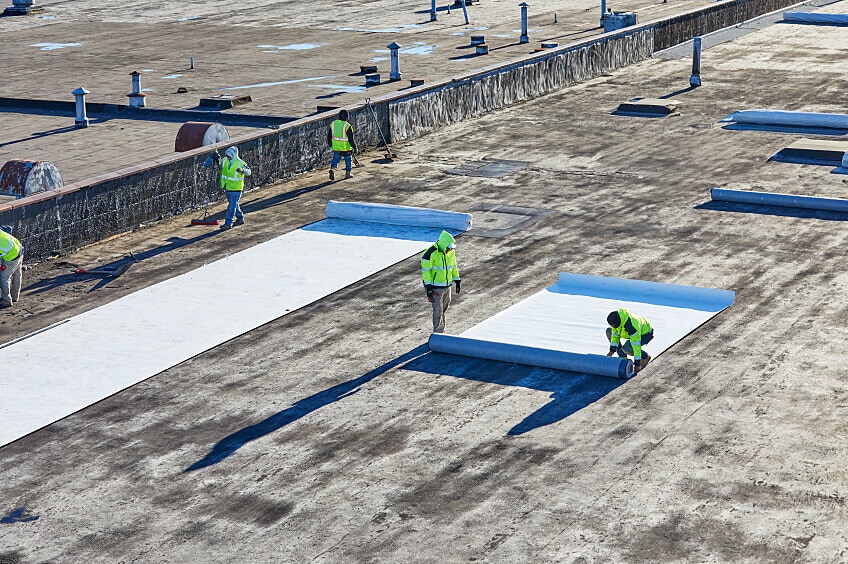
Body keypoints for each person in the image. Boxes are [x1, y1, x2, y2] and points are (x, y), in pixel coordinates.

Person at [421, 230, 461, 333]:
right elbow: (426, 271)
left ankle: (441, 328)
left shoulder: (451, 252)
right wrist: (428, 286)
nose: (449, 249)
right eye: (448, 247)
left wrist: (456, 279)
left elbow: (453, 266)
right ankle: (438, 333)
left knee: (445, 307)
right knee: (437, 310)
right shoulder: (430, 253)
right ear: (443, 245)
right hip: (435, 287)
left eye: (451, 248)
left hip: (447, 285)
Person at [605, 308, 653, 373]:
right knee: (609, 331)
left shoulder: (631, 325)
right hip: (627, 332)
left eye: (614, 326)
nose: (614, 328)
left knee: (627, 348)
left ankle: (645, 357)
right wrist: (612, 350)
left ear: (618, 323)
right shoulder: (617, 321)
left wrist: (637, 364)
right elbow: (615, 336)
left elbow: (636, 345)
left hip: (645, 334)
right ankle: (623, 357)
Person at [219, 146, 251, 230]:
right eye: (227, 156)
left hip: (236, 189)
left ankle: (228, 223)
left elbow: (248, 172)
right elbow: (220, 164)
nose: (228, 157)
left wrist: (242, 171)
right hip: (228, 187)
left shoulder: (240, 163)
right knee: (234, 205)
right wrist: (216, 157)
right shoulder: (225, 160)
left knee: (231, 207)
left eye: (230, 156)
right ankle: (240, 218)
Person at [327, 109, 357, 181]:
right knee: (348, 159)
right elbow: (351, 139)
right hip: (345, 147)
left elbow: (329, 136)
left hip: (336, 146)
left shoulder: (333, 124)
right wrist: (354, 147)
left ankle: (333, 169)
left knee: (336, 159)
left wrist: (330, 143)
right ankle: (348, 174)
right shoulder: (347, 126)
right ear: (347, 117)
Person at [0, 225, 23, 309]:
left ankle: (6, 300)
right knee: (17, 273)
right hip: (19, 248)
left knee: (4, 278)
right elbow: (9, 228)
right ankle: (14, 297)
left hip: (11, 257)